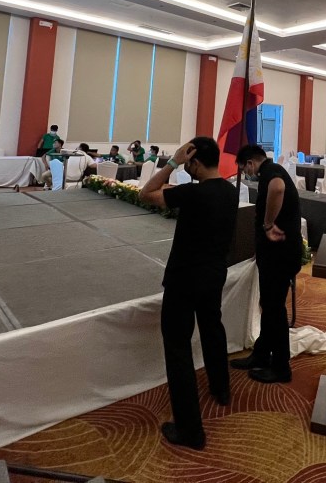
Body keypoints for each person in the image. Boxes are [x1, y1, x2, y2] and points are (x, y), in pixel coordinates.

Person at [140, 137, 238, 450]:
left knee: (178, 348)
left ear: (194, 162)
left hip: (184, 278)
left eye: (188, 162)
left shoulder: (193, 193)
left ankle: (190, 430)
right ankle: (221, 388)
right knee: (212, 328)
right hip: (214, 274)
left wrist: (172, 163)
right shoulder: (230, 192)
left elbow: (146, 193)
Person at [233, 144, 302, 384]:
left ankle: (281, 368)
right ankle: (261, 355)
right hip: (275, 253)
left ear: (250, 163)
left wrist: (268, 224)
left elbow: (278, 188)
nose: (246, 173)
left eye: (244, 169)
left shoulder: (271, 173)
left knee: (274, 309)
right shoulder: (271, 170)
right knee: (269, 305)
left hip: (280, 254)